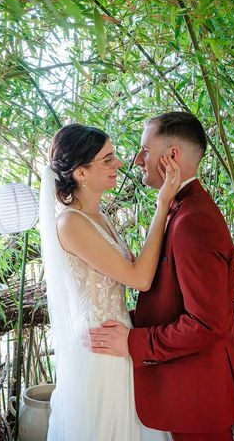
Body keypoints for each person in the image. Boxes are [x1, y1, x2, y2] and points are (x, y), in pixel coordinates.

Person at [89, 112, 234, 441]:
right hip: (183, 392)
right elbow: (171, 301)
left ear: (171, 156)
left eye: (145, 150)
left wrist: (133, 342)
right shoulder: (180, 208)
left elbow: (206, 324)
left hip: (197, 400)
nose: (135, 160)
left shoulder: (193, 221)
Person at [39, 123, 181, 441]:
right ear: (80, 173)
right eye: (107, 159)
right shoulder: (70, 224)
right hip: (99, 353)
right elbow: (139, 278)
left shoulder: (100, 217)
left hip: (119, 341)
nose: (118, 164)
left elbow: (135, 269)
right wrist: (162, 205)